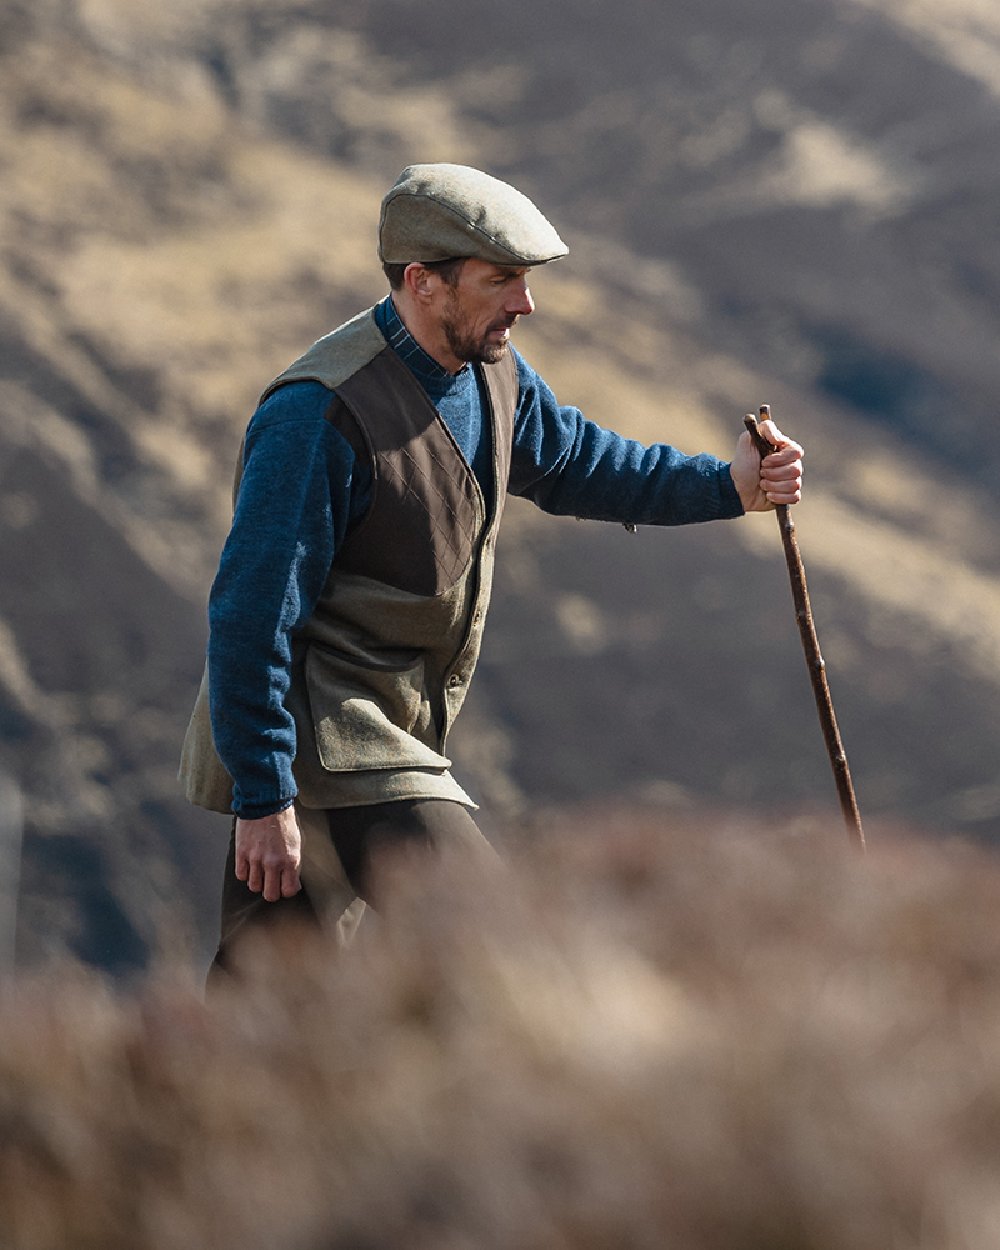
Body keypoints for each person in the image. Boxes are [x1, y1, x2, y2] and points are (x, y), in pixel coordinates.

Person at [179, 163, 804, 970]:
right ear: (422, 282)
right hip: (330, 744)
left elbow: (580, 461)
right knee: (499, 939)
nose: (525, 302)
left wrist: (727, 486)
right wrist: (264, 794)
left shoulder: (490, 373)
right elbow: (250, 613)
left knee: (264, 1001)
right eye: (502, 279)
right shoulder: (316, 414)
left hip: (379, 738)